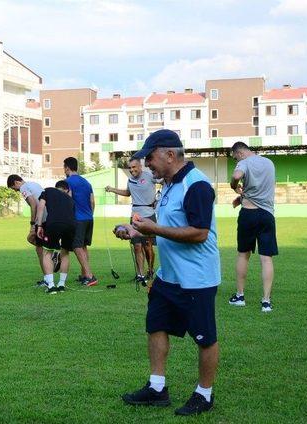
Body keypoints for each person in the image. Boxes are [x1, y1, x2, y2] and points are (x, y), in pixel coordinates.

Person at [114, 129, 221, 416]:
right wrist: (134, 231)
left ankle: (204, 394)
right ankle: (157, 387)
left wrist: (153, 228)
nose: (147, 163)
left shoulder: (196, 185)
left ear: (170, 154)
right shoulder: (171, 185)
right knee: (156, 325)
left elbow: (199, 233)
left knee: (205, 337)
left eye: (150, 157)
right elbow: (167, 227)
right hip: (168, 276)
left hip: (196, 279)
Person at [229, 141, 277, 312]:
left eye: (235, 157)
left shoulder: (244, 163)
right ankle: (266, 302)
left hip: (249, 214)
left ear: (239, 153)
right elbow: (259, 189)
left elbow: (236, 176)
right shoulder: (269, 163)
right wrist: (243, 196)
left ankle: (240, 296)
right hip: (267, 215)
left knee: (243, 255)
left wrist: (234, 187)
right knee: (266, 258)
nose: (236, 160)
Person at [105, 157, 157, 285]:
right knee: (137, 246)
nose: (132, 170)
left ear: (140, 166)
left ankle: (150, 270)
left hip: (149, 214)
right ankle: (140, 274)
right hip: (135, 216)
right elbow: (127, 193)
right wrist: (112, 189)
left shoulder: (150, 175)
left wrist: (159, 200)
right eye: (130, 168)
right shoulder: (130, 180)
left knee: (147, 246)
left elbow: (165, 181)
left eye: (134, 167)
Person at [7, 174, 60, 285]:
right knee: (39, 245)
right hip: (51, 217)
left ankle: (47, 278)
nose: (16, 191)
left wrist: (33, 224)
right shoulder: (34, 184)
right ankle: (54, 252)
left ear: (17, 182)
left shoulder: (23, 187)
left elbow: (33, 204)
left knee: (39, 249)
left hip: (41, 220)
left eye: (14, 188)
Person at [35, 180, 76, 294]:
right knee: (65, 253)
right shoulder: (70, 199)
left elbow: (41, 207)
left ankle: (51, 286)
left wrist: (39, 225)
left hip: (54, 224)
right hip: (71, 225)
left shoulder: (47, 191)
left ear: (56, 187)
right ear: (67, 190)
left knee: (47, 253)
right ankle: (62, 284)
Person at [63, 157, 97, 286]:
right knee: (83, 246)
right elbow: (92, 201)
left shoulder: (67, 182)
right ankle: (84, 275)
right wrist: (90, 214)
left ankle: (89, 275)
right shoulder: (87, 182)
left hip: (78, 219)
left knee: (76, 246)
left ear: (67, 168)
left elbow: (69, 200)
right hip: (89, 218)